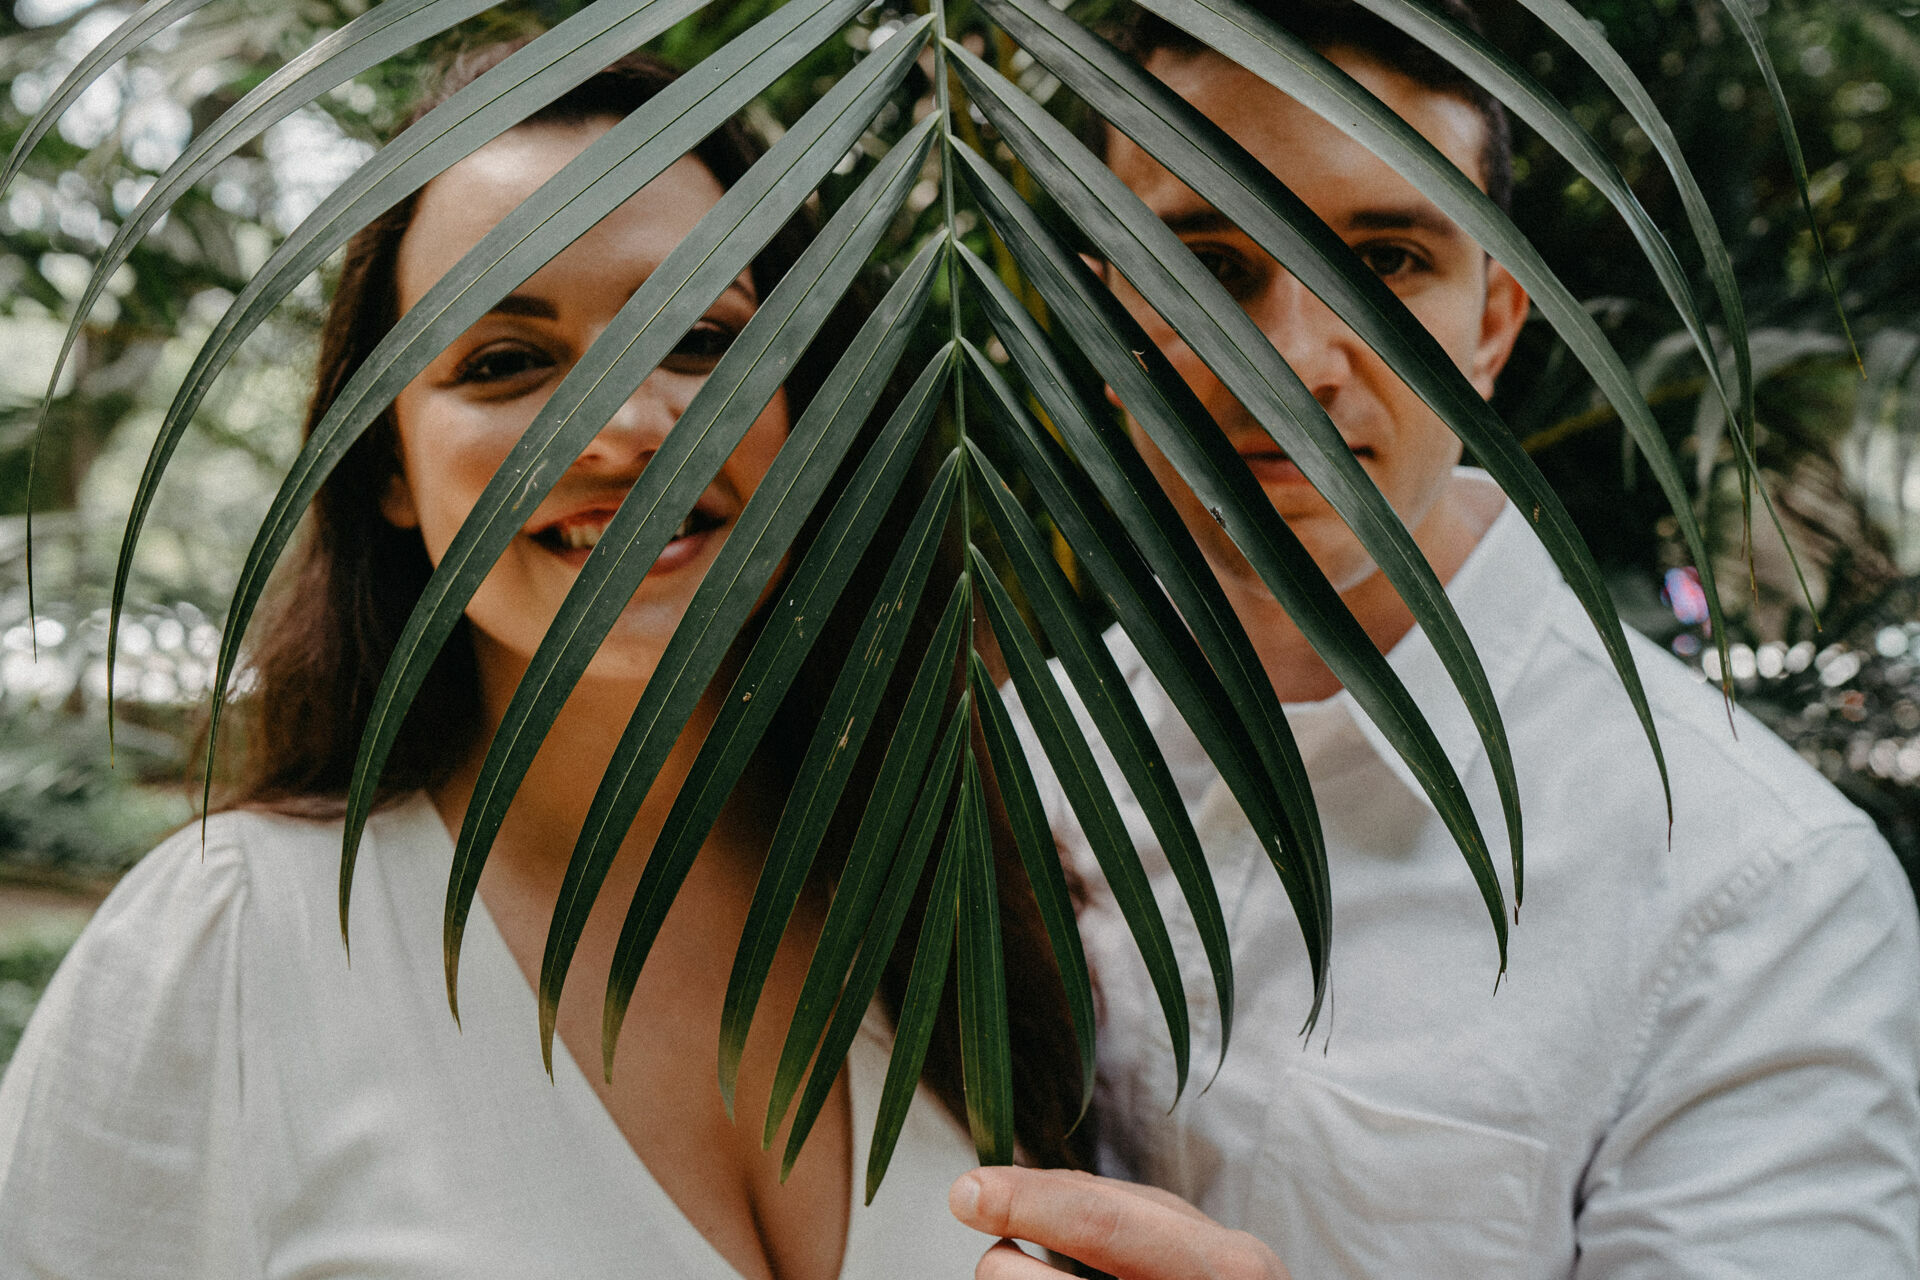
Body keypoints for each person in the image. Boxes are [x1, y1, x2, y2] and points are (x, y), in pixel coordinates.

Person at [0, 44, 1088, 1279]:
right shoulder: (231, 942)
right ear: (388, 466)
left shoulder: (974, 895)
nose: (623, 428)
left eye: (701, 337)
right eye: (506, 361)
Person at [971, 0, 1920, 1275]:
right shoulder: (1020, 759)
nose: (1293, 358)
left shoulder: (1754, 889)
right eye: (1209, 262)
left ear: (1495, 322)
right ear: (1105, 317)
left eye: (1387, 259)